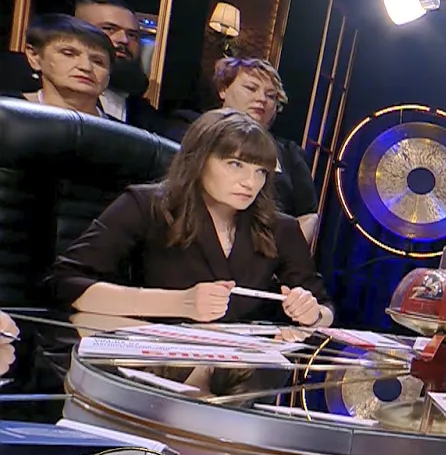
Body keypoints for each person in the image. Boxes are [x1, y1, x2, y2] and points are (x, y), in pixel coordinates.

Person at [46, 108, 333, 327]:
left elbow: (324, 307)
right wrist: (179, 303)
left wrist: (312, 314)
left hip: (237, 372)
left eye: (260, 172)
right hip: (152, 364)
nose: (250, 182)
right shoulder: (146, 204)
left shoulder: (280, 227)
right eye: (235, 165)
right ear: (199, 160)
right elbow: (65, 282)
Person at [167, 58, 320, 242]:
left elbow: (308, 215)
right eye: (251, 88)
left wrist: (284, 254)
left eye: (271, 96)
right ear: (223, 89)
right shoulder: (190, 130)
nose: (262, 99)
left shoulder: (290, 153)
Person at [71, 0, 166, 132]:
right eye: (109, 29)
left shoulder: (147, 117)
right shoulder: (50, 99)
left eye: (132, 35)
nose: (124, 40)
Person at [3, 14, 112, 118]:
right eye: (68, 54)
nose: (86, 67)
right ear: (34, 56)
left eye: (98, 61)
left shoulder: (118, 129)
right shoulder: (5, 111)